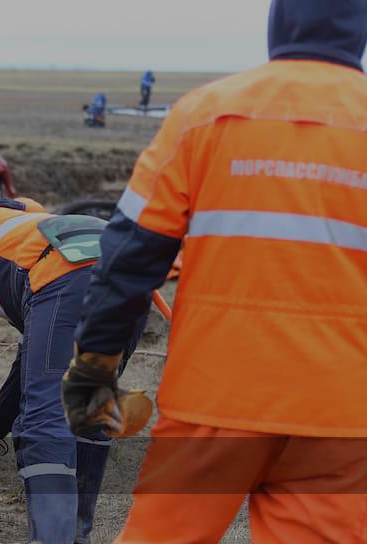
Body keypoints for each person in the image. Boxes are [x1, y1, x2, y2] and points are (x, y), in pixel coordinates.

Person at [63, 1, 367, 541]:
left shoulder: (204, 114)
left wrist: (95, 366)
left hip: (214, 399)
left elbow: (130, 255)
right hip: (342, 415)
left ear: (279, 21)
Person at [0, 198, 148, 543]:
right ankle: (75, 535)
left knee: (46, 422)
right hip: (132, 279)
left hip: (68, 277)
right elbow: (32, 367)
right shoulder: (38, 228)